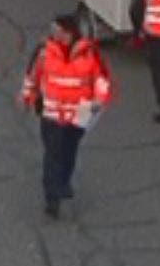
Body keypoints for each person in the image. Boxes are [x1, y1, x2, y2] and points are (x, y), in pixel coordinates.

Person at [19, 13, 112, 219]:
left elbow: (100, 79)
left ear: (72, 33)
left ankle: (63, 182)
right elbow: (33, 75)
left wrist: (100, 98)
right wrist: (28, 96)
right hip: (52, 114)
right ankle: (52, 196)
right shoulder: (44, 53)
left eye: (61, 31)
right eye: (55, 31)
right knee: (53, 154)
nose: (56, 35)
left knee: (69, 152)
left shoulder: (89, 54)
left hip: (79, 115)